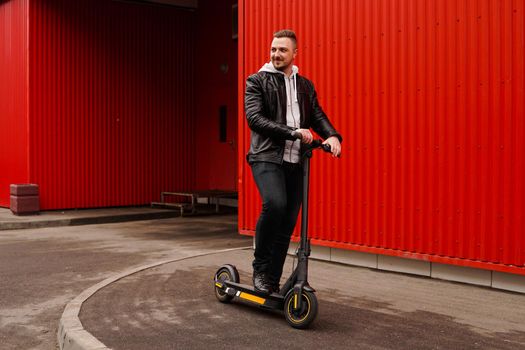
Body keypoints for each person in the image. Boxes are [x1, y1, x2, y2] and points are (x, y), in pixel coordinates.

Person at [245, 29, 342, 294]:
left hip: (295, 161)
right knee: (275, 204)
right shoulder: (257, 81)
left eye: (282, 50)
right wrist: (292, 133)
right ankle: (260, 270)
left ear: (294, 53)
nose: (276, 54)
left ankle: (272, 280)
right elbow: (255, 119)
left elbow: (317, 115)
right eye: (273, 49)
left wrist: (332, 135)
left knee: (287, 221)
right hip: (266, 156)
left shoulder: (305, 85)